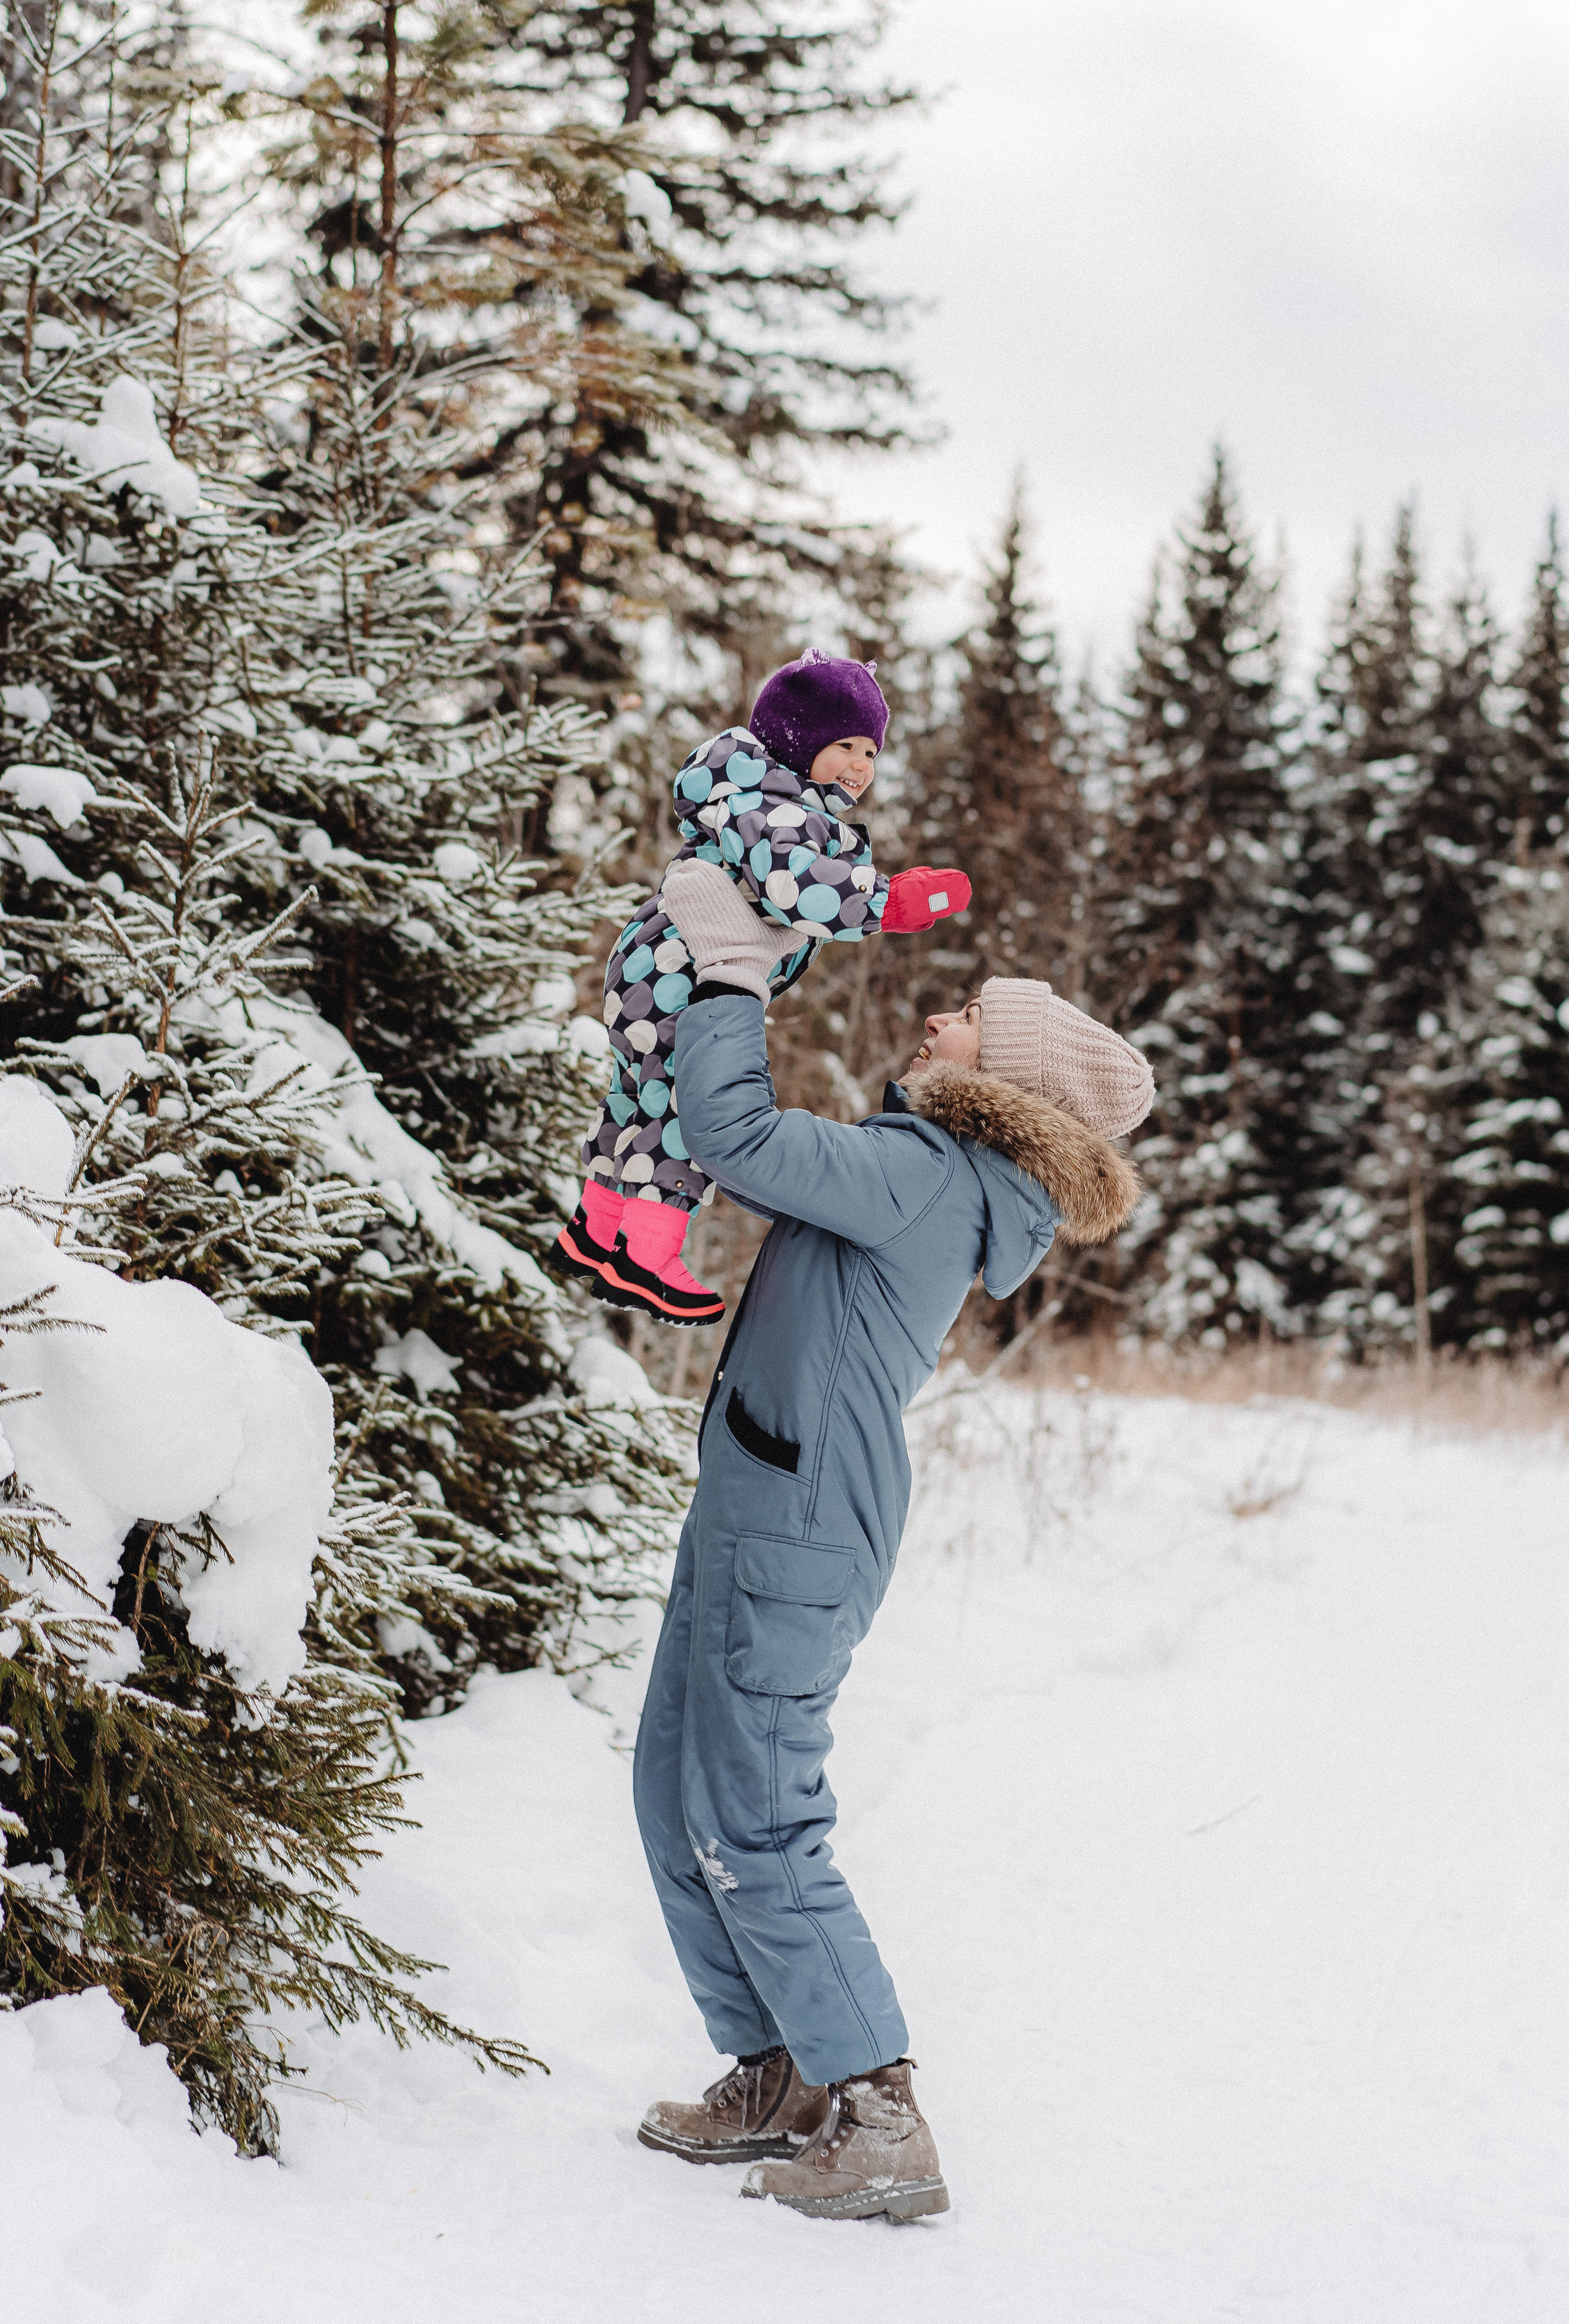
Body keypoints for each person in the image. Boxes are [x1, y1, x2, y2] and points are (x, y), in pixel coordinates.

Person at [630, 855, 1154, 2222]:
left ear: (1011, 1083)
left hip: (795, 1520)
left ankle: (877, 2111)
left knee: (754, 1818)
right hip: (763, 1497)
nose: (939, 1018)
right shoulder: (927, 1166)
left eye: (972, 1017)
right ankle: (781, 2071)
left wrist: (731, 965)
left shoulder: (923, 1172)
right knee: (674, 1791)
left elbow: (739, 1139)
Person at [552, 648, 969, 1326]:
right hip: (681, 968)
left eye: (871, 750)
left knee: (639, 1095)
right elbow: (795, 887)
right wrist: (887, 901)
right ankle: (646, 1254)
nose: (861, 766)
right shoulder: (776, 809)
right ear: (800, 739)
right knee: (686, 1101)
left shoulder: (757, 798)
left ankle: (596, 1232)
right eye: (845, 745)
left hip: (650, 960)